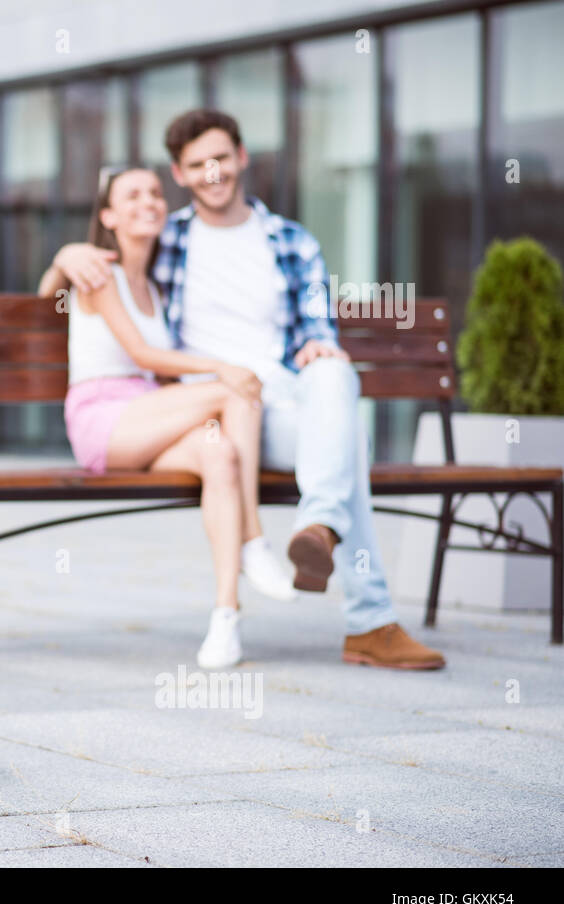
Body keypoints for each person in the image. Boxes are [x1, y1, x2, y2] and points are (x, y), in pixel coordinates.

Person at [41, 108, 445, 671]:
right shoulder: (167, 238)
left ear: (242, 158)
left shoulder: (290, 240)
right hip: (209, 406)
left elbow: (315, 324)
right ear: (180, 175)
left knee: (335, 374)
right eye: (197, 164)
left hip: (282, 405)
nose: (212, 173)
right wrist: (65, 255)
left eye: (221, 159)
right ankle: (369, 620)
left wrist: (318, 345)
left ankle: (319, 526)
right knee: (347, 441)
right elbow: (103, 264)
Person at [37, 164, 297, 670]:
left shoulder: (157, 289)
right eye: (131, 195)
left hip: (146, 415)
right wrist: (62, 256)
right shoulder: (97, 272)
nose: (148, 202)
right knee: (235, 387)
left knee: (219, 453)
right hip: (102, 420)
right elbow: (140, 351)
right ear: (108, 215)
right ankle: (255, 540)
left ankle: (226, 617)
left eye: (155, 193)